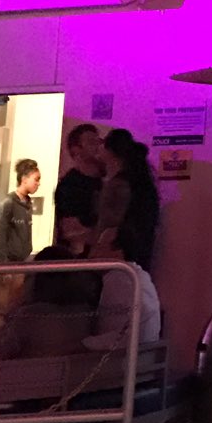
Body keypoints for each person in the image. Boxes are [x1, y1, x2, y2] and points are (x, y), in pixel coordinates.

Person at [91, 129, 160, 270]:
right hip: (135, 252)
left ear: (110, 152)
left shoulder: (118, 185)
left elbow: (109, 222)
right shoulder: (140, 182)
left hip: (116, 252)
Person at [0, 158, 40, 330]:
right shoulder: (8, 204)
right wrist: (3, 266)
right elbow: (0, 236)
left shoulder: (27, 205)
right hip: (6, 264)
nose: (38, 184)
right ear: (24, 179)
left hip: (18, 264)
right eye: (36, 179)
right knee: (1, 310)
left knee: (14, 308)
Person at [83, 230, 162, 352]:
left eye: (99, 246)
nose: (91, 255)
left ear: (118, 251)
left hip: (123, 358)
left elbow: (128, 336)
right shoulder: (138, 275)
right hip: (145, 355)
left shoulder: (119, 277)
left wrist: (84, 344)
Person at [53, 123, 103, 246]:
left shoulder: (108, 180)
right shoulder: (69, 185)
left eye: (99, 141)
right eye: (91, 142)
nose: (99, 147)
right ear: (76, 150)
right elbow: (71, 230)